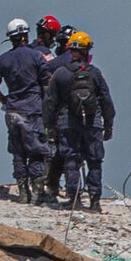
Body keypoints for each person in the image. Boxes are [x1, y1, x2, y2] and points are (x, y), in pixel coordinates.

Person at [43, 31, 114, 212]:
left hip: (68, 123)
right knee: (94, 161)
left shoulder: (60, 74)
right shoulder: (96, 74)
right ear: (86, 51)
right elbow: (106, 101)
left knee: (71, 161)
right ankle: (95, 201)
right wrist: (108, 125)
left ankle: (73, 199)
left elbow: (50, 102)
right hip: (93, 123)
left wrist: (50, 126)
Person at [0, 19, 52, 204]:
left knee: (18, 153)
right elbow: (47, 84)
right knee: (37, 152)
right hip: (33, 110)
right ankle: (38, 193)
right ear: (26, 35)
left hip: (12, 111)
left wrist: (3, 99)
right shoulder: (36, 57)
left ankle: (23, 192)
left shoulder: (3, 59)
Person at [42, 23, 80, 202]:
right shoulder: (87, 68)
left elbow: (48, 94)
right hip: (81, 116)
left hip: (60, 115)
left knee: (57, 152)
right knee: (76, 155)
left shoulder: (55, 65)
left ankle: (52, 186)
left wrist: (48, 119)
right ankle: (76, 193)